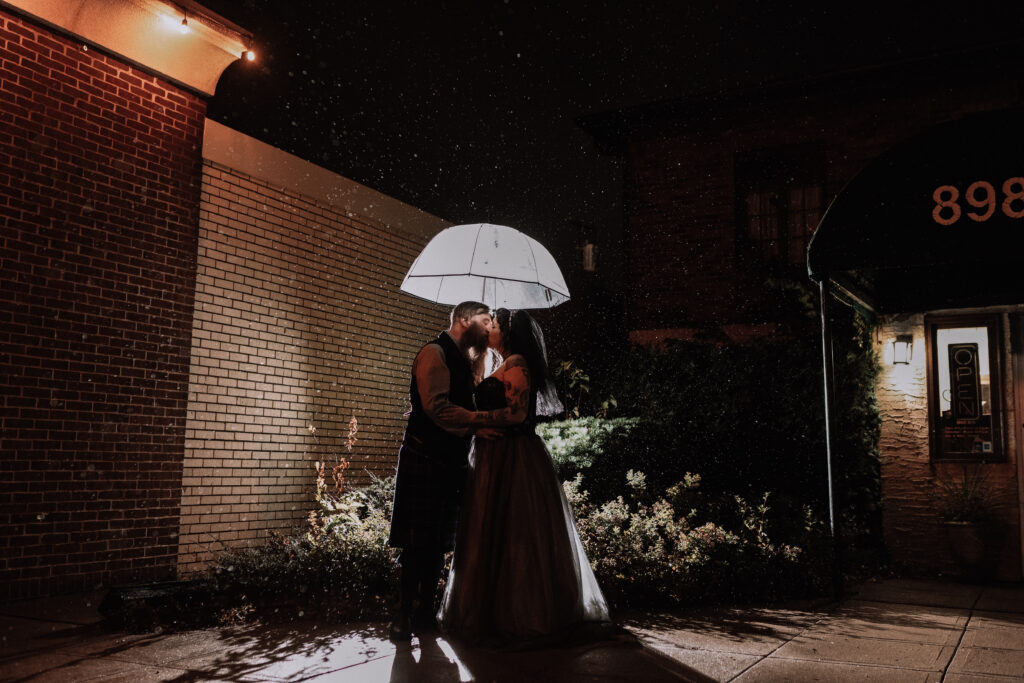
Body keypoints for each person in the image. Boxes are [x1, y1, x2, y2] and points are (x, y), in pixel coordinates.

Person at [438, 308, 611, 645]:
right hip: (493, 454)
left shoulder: (517, 364)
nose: (490, 329)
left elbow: (517, 415)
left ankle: (523, 613)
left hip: (513, 457)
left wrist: (476, 417)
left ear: (508, 334)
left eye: (495, 325)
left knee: (516, 534)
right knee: (492, 533)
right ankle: (491, 609)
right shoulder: (499, 361)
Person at [387, 300, 497, 640]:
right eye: (484, 320)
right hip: (425, 457)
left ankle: (424, 613)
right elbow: (437, 408)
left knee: (437, 543)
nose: (489, 326)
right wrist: (480, 421)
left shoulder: (465, 360)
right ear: (464, 319)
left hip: (449, 462)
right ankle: (403, 615)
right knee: (417, 541)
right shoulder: (434, 353)